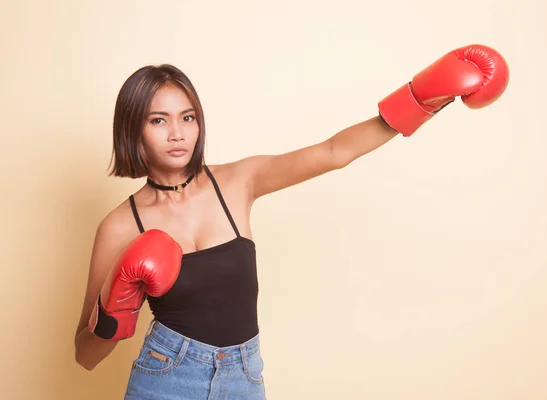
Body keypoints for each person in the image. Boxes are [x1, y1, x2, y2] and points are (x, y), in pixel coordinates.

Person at [74, 44, 509, 399]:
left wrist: (421, 99)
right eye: (158, 120)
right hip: (165, 378)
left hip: (243, 378)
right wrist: (116, 303)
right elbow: (85, 356)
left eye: (187, 117)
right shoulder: (121, 225)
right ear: (134, 131)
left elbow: (334, 152)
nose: (177, 133)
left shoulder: (238, 181)